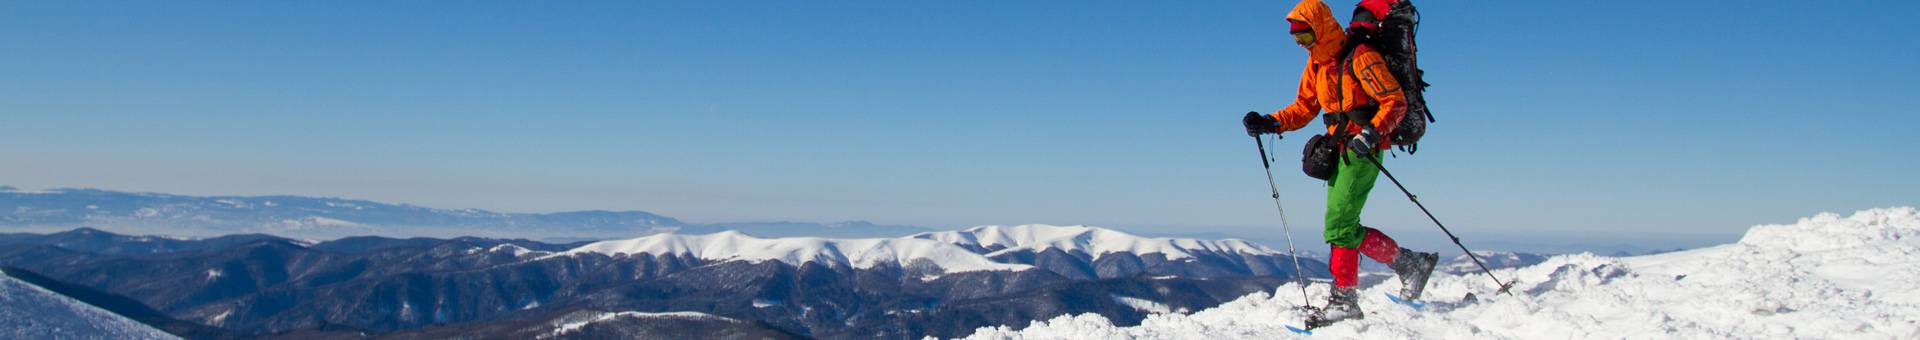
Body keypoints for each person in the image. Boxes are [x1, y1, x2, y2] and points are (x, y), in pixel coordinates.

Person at [1240, 0, 1439, 328]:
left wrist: (1372, 135)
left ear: (1319, 30)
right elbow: (1304, 107)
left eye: (1304, 38)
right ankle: (1409, 265)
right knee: (1342, 226)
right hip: (1342, 148)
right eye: (1296, 40)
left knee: (1339, 225)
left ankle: (1346, 300)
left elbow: (1394, 100)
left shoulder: (1359, 56)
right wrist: (1270, 122)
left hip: (1363, 150)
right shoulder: (1317, 65)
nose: (1300, 45)